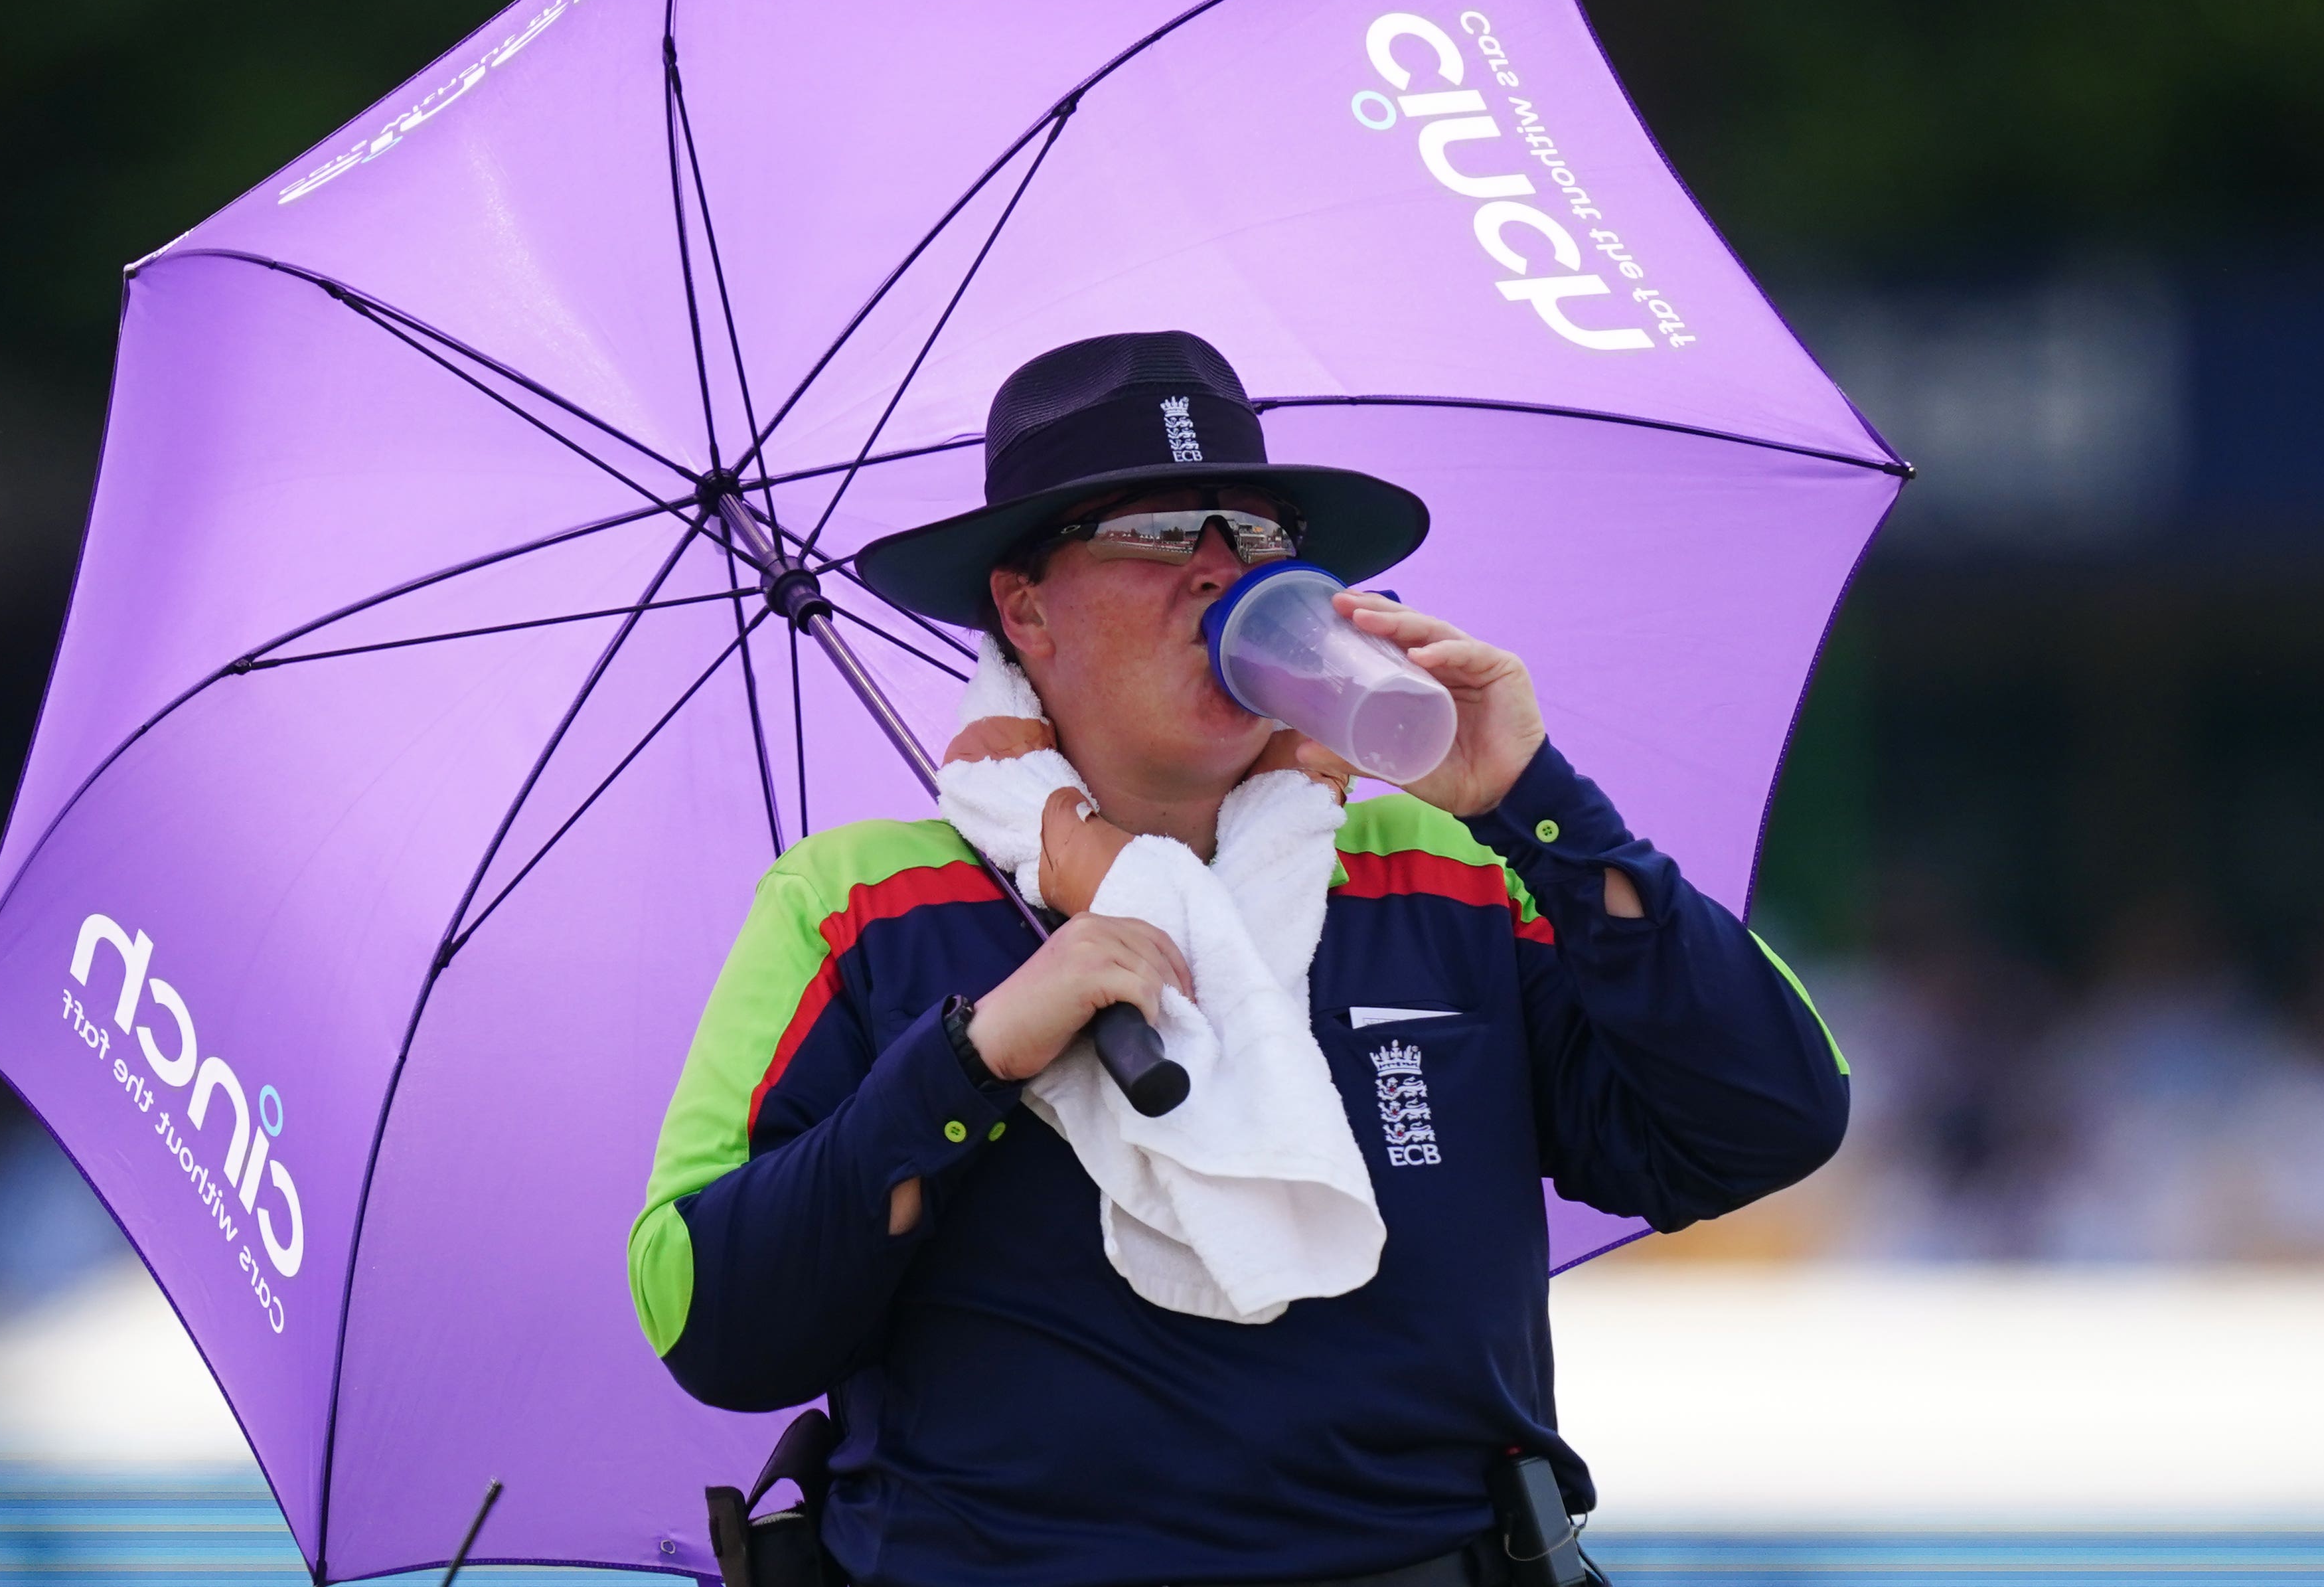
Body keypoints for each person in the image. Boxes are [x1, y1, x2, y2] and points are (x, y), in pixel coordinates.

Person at [631, 332, 1850, 1587]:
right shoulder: (862, 898)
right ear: (1026, 609)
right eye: (1159, 532)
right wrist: (970, 1057)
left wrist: (1536, 799)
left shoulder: (1449, 862)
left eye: (1260, 536)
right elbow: (712, 1319)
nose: (1219, 570)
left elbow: (1766, 1118)